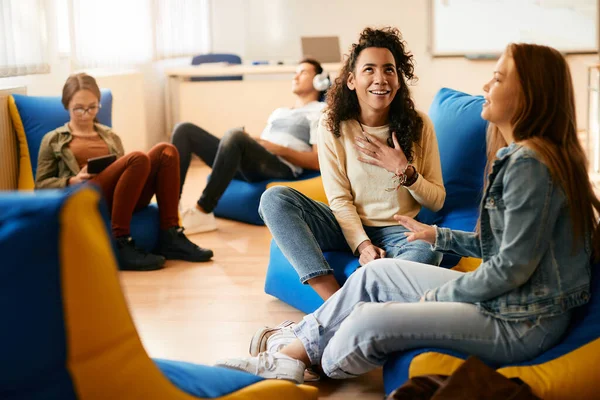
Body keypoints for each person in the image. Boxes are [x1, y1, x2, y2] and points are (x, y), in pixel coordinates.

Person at [215, 42, 600, 385]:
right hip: (507, 300)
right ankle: (294, 354)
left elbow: (508, 269)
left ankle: (296, 357)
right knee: (376, 273)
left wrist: (437, 295)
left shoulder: (527, 163)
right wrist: (438, 236)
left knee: (368, 320)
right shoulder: (518, 157)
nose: (485, 87)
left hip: (520, 318)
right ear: (351, 79)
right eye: (369, 69)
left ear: (529, 94)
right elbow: (502, 248)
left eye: (497, 79)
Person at [259, 27, 445, 300]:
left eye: (389, 70)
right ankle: (334, 301)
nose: (380, 79)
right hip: (342, 224)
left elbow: (437, 200)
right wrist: (362, 245)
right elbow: (339, 199)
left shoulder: (420, 124)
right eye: (369, 69)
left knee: (433, 249)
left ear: (398, 79)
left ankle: (357, 302)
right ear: (351, 80)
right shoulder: (333, 124)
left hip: (399, 232)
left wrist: (405, 172)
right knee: (274, 199)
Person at [36, 73, 213, 271]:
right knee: (138, 157)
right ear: (66, 105)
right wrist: (72, 180)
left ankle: (171, 235)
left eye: (92, 107)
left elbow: (126, 174)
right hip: (84, 197)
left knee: (166, 151)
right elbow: (40, 185)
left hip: (120, 200)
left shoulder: (110, 136)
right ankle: (120, 241)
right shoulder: (52, 140)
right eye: (79, 108)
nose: (86, 114)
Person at [171, 58, 328, 233]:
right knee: (184, 130)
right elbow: (265, 143)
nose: (296, 77)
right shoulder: (280, 112)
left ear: (319, 80)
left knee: (234, 136)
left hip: (282, 167)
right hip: (259, 162)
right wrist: (252, 141)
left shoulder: (320, 111)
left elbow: (316, 161)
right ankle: (170, 207)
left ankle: (203, 211)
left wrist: (279, 149)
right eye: (295, 73)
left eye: (303, 72)